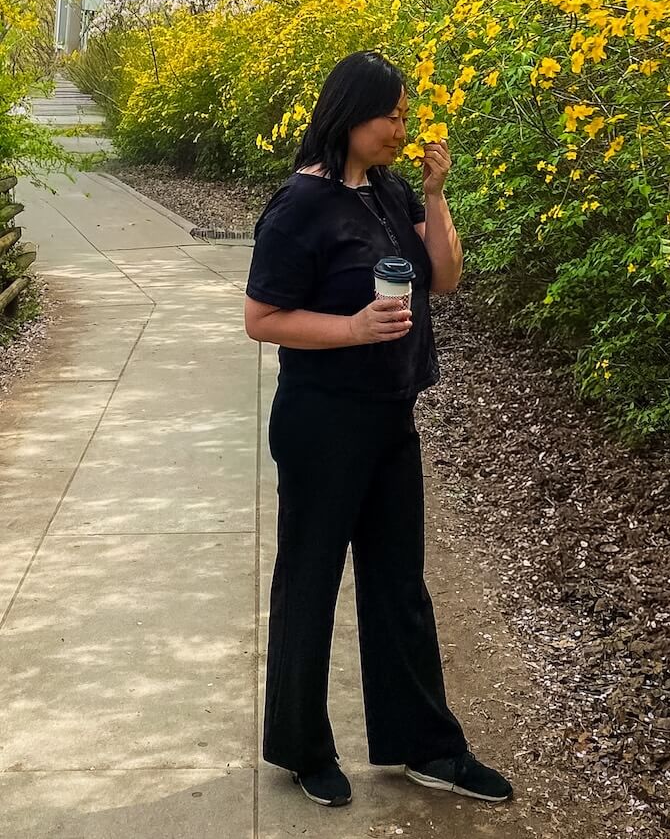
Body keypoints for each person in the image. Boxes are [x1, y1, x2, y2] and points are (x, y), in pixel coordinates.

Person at [244, 49, 513, 809]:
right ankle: (301, 747)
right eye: (389, 114)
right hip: (322, 423)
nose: (402, 126)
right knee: (312, 580)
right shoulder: (299, 206)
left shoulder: (392, 192)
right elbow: (261, 320)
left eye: (403, 113)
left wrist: (436, 197)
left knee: (401, 588)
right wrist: (354, 328)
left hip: (393, 418)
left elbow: (448, 278)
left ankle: (427, 747)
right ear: (348, 115)